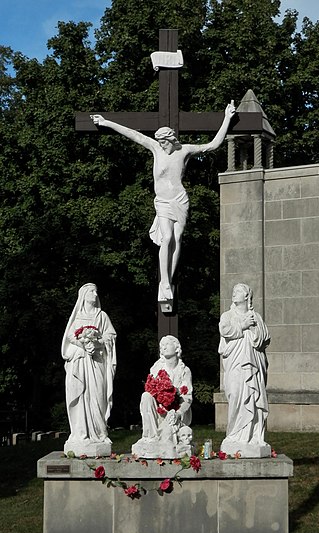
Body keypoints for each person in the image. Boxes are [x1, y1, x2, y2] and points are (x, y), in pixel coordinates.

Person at [91, 102, 235, 301]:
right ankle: (164, 282)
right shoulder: (155, 148)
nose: (162, 145)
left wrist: (227, 118)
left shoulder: (184, 150)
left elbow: (212, 145)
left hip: (179, 200)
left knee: (177, 239)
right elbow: (133, 134)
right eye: (159, 142)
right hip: (163, 201)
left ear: (171, 139)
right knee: (166, 238)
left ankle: (169, 279)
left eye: (164, 142)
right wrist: (106, 123)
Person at [62, 283, 117, 456]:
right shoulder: (77, 317)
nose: (95, 294)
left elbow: (111, 336)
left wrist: (97, 343)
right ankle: (80, 434)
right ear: (84, 295)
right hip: (80, 361)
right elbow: (70, 336)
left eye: (96, 291)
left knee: (97, 396)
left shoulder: (102, 316)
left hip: (97, 361)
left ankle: (99, 433)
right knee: (81, 396)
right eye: (91, 291)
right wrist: (84, 344)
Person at [218, 283, 270, 452]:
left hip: (253, 365)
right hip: (235, 363)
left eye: (239, 291)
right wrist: (243, 325)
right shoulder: (227, 315)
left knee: (253, 398)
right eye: (233, 291)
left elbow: (265, 338)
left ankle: (253, 437)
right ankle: (234, 435)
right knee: (235, 395)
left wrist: (253, 328)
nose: (234, 293)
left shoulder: (256, 317)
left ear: (247, 296)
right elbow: (225, 330)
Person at [131, 335, 193, 458]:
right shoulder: (156, 368)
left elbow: (187, 398)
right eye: (161, 346)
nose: (163, 347)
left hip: (178, 411)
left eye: (166, 344)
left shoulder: (184, 370)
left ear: (176, 348)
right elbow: (151, 390)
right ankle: (151, 437)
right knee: (146, 396)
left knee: (168, 437)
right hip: (159, 410)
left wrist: (178, 413)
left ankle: (167, 439)